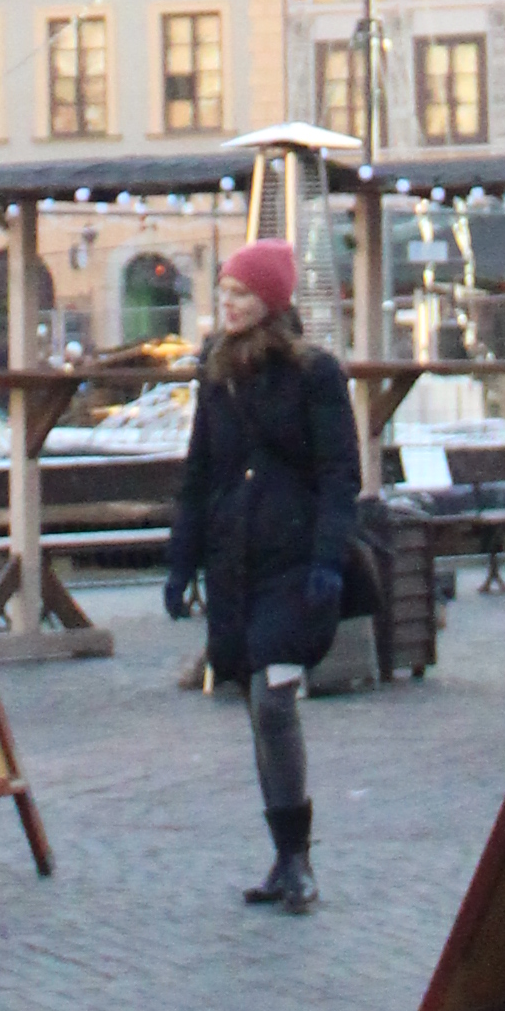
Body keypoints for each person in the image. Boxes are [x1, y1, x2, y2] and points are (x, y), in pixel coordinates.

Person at [163, 238, 361, 912]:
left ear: (270, 301)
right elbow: (199, 472)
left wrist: (328, 560)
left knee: (274, 700)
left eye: (241, 293)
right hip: (234, 563)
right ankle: (282, 856)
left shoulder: (316, 374)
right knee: (255, 704)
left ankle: (298, 858)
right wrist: (181, 561)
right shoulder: (216, 372)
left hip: (294, 562)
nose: (228, 303)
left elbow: (339, 473)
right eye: (224, 291)